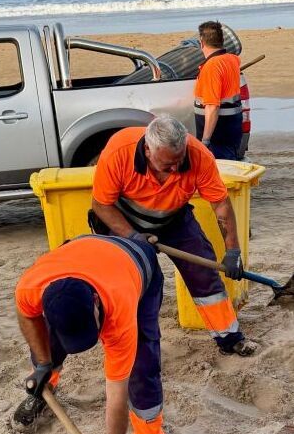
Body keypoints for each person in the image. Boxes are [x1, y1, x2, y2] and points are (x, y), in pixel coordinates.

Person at [11, 234, 169, 434]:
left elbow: (116, 394)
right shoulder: (30, 288)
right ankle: (45, 391)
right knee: (48, 343)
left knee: (142, 364)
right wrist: (42, 364)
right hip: (81, 252)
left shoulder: (120, 306)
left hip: (136, 264)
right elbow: (26, 317)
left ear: (95, 303)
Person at [90, 117, 259, 357]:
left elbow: (220, 204)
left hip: (174, 217)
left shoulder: (199, 156)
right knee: (130, 284)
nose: (175, 171)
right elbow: (101, 205)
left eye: (179, 162)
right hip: (124, 222)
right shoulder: (119, 151)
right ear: (148, 150)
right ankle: (127, 345)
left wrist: (233, 251)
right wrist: (133, 235)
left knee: (204, 273)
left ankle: (229, 337)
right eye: (167, 165)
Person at [193, 21, 243, 161]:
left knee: (219, 174)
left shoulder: (212, 67)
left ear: (201, 42)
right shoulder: (232, 60)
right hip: (232, 127)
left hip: (218, 133)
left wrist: (205, 141)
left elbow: (212, 106)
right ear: (221, 40)